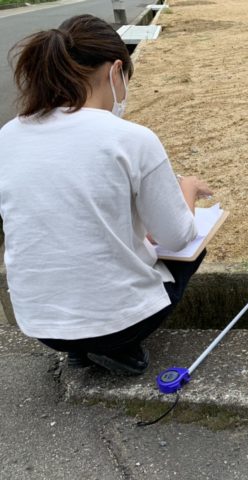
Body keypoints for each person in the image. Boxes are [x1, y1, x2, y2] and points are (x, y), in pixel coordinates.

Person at [0, 14, 212, 375]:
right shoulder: (130, 138)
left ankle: (81, 349)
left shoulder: (8, 136)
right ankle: (117, 347)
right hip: (118, 322)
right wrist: (187, 189)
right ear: (116, 72)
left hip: (38, 323)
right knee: (194, 247)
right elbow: (178, 236)